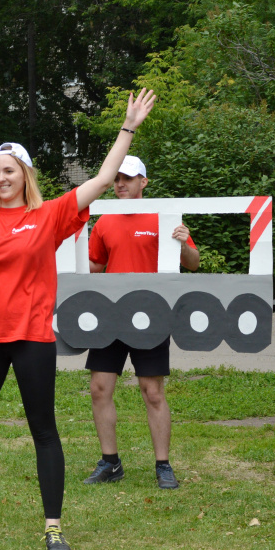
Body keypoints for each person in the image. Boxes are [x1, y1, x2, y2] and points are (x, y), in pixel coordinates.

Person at [0, 66, 156, 550]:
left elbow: (105, 178)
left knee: (43, 430)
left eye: (9, 170)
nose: (1, 178)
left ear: (25, 175)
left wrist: (128, 127)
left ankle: (52, 527)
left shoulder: (47, 217)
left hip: (30, 340)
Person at [84, 155, 199, 490]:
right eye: (117, 178)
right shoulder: (104, 221)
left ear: (143, 182)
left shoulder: (163, 219)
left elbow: (192, 262)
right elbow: (94, 267)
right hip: (110, 315)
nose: (121, 183)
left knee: (152, 392)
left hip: (152, 314)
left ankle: (163, 465)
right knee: (99, 389)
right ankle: (110, 462)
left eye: (128, 178)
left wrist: (182, 241)